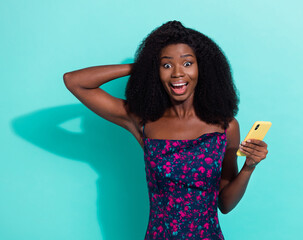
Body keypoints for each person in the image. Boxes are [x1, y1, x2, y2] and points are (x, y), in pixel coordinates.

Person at [63, 20, 269, 240]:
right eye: (167, 65)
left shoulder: (226, 126)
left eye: (187, 63)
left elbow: (225, 204)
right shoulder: (143, 121)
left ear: (202, 67)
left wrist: (249, 167)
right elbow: (74, 81)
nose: (177, 73)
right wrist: (143, 66)